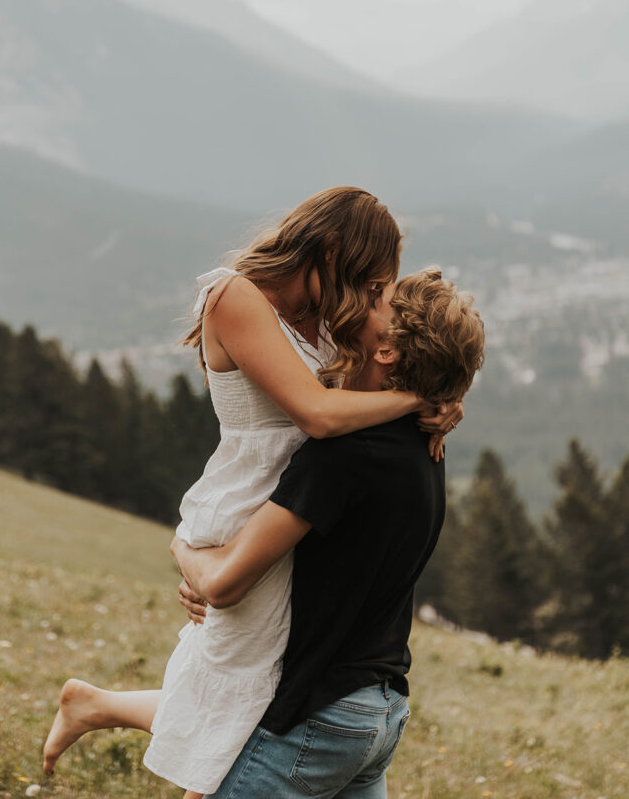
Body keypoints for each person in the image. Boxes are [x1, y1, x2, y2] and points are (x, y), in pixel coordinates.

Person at [42, 188, 462, 797]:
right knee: (249, 696)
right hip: (250, 506)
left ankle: (96, 704)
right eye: (369, 285)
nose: (371, 302)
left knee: (257, 690)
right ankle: (98, 708)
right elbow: (319, 414)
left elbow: (360, 387)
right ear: (331, 249)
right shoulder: (234, 296)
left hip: (296, 505)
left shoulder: (322, 316)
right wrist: (417, 401)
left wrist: (443, 399)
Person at [172, 268, 485, 798]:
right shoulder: (423, 440)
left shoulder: (341, 457)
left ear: (387, 350)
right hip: (381, 711)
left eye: (378, 300)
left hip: (318, 718)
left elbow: (224, 585)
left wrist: (184, 546)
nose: (361, 299)